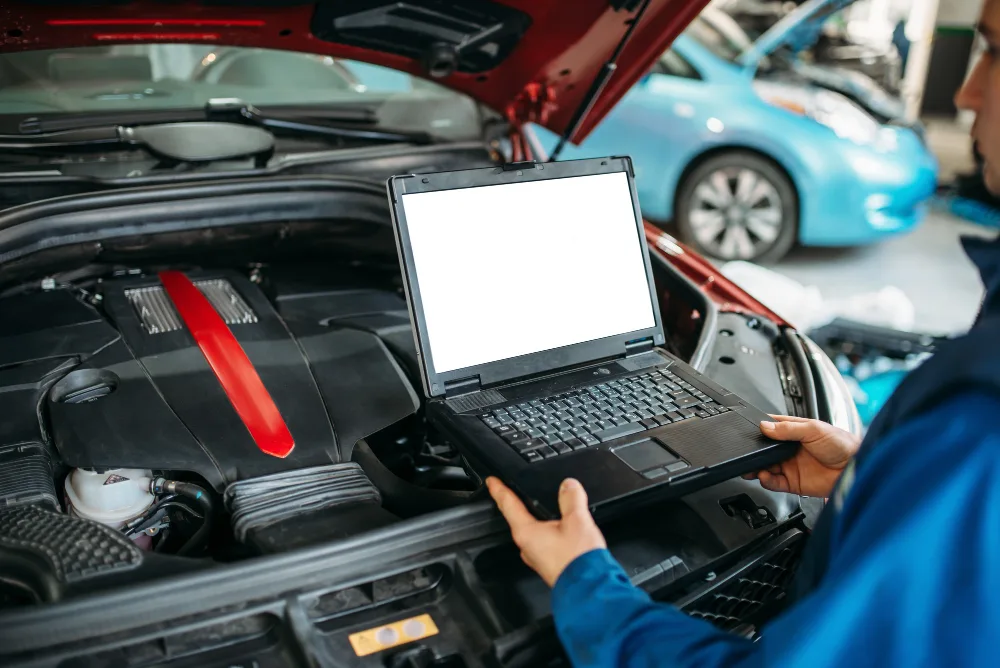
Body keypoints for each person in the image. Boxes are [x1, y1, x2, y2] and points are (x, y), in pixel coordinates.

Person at [485, 1, 1000, 663]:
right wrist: (868, 477)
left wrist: (589, 584)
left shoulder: (981, 422)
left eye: (992, 50)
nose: (967, 91)